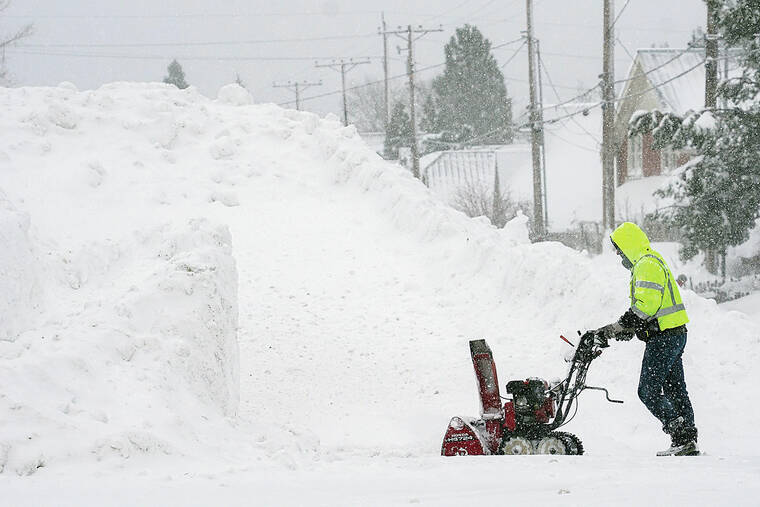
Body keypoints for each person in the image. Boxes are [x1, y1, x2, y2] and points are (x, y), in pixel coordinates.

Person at [594, 222, 699, 456]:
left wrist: (618, 326)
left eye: (620, 250)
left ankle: (680, 434)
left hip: (664, 337)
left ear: (628, 245)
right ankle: (688, 440)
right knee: (675, 389)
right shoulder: (652, 260)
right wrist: (631, 330)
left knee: (648, 391)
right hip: (673, 333)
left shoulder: (646, 264)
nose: (619, 255)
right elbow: (651, 309)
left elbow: (645, 307)